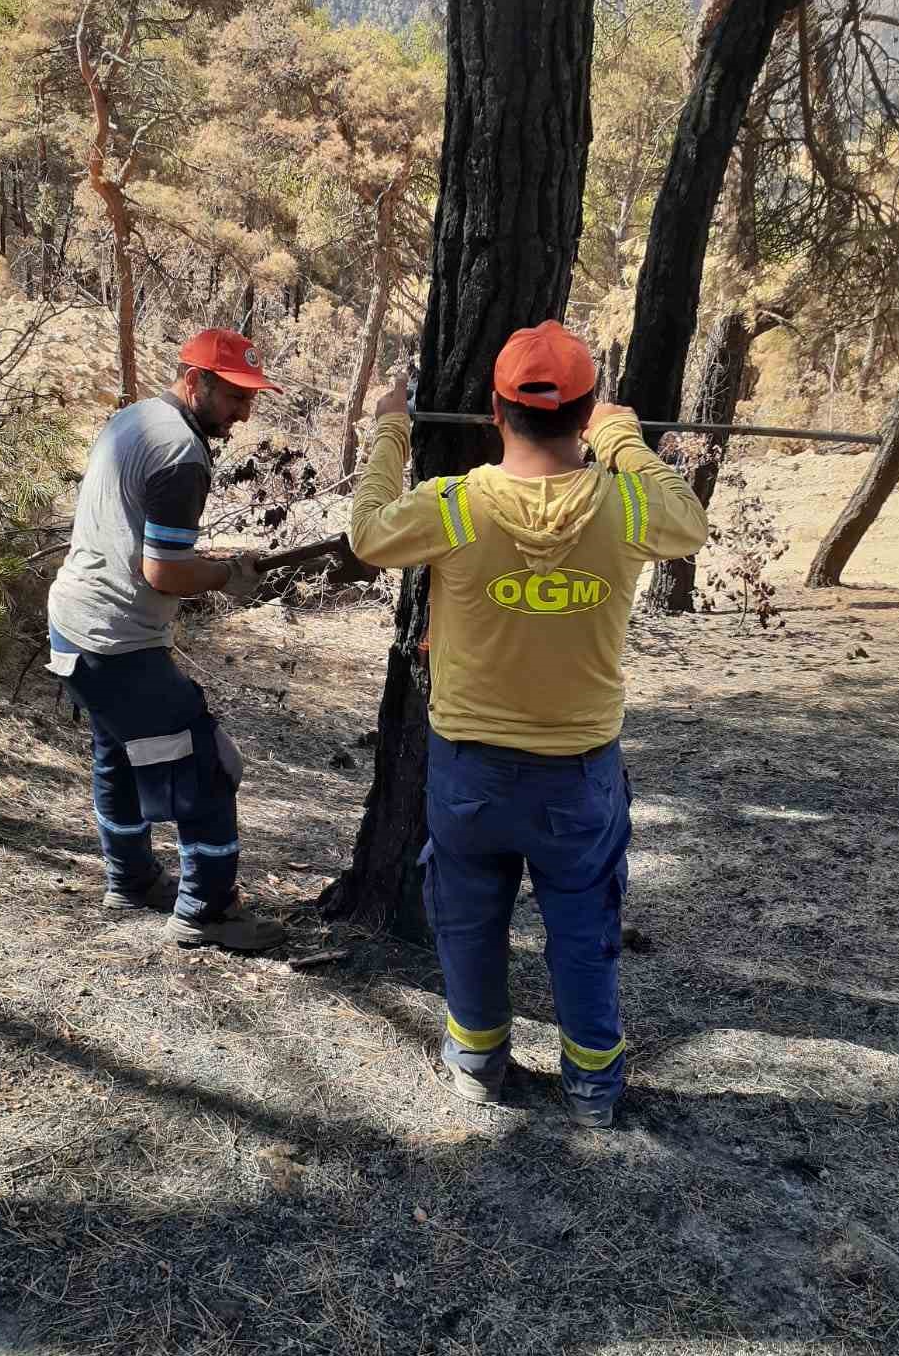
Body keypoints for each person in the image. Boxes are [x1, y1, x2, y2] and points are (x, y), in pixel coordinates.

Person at [350, 321, 708, 1126]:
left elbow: (367, 533)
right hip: (577, 774)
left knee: (469, 918)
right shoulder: (628, 507)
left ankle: (477, 1063)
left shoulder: (453, 507)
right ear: (585, 415)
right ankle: (591, 1084)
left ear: (493, 412)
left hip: (470, 771)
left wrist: (389, 429)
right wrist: (624, 439)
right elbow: (690, 519)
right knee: (585, 927)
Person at [47, 328, 287, 953]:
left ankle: (129, 879)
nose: (243, 413)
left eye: (250, 398)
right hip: (116, 639)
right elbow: (163, 570)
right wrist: (227, 575)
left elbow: (142, 539)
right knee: (206, 765)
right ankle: (206, 911)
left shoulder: (136, 417)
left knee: (119, 751)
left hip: (74, 622)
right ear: (194, 381)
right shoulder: (183, 455)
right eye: (234, 396)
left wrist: (205, 561)